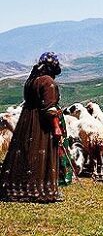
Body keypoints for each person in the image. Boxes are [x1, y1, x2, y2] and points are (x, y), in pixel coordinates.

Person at [0, 52, 65, 202]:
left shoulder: (31, 81)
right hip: (42, 124)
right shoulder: (48, 82)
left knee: (26, 152)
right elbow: (50, 108)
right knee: (42, 152)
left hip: (26, 120)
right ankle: (41, 190)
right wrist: (56, 127)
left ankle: (17, 188)